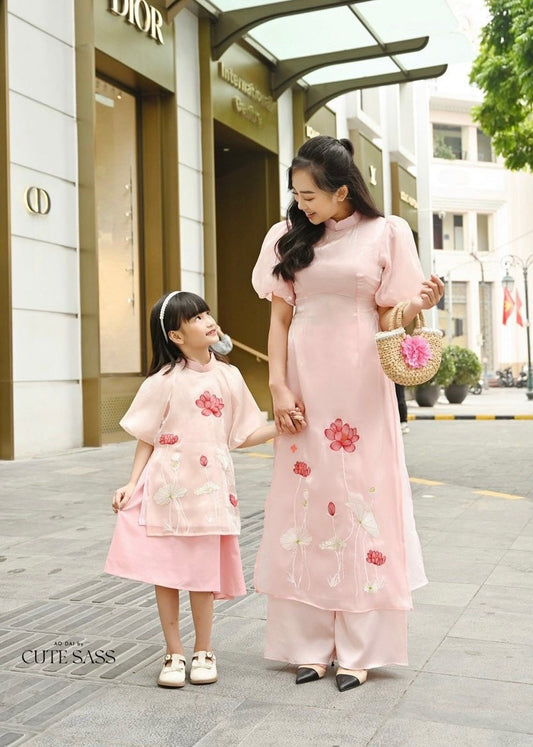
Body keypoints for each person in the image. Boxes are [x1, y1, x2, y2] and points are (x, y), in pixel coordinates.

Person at [252, 135, 443, 692]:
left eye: (310, 195)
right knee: (304, 504)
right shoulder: (286, 237)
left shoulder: (387, 232)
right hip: (305, 382)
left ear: (342, 191)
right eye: (296, 193)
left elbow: (391, 316)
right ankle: (307, 645)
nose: (301, 204)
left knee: (364, 498)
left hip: (361, 384)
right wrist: (278, 387)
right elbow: (280, 320)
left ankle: (361, 648)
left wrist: (419, 304)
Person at [104, 291, 303, 688]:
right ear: (176, 336)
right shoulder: (164, 381)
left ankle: (204, 650)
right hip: (168, 489)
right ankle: (174, 652)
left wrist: (283, 426)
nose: (209, 320)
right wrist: (132, 482)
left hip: (211, 491)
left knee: (201, 574)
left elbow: (242, 434)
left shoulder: (229, 376)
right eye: (197, 318)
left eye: (207, 313)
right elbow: (148, 435)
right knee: (167, 574)